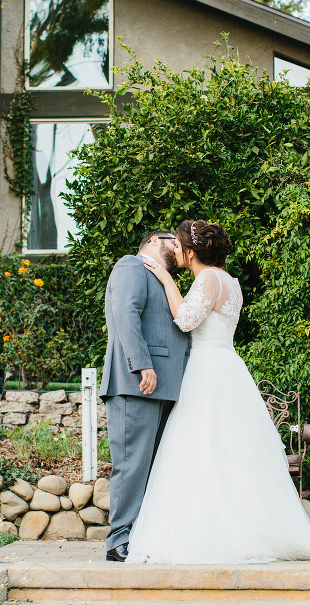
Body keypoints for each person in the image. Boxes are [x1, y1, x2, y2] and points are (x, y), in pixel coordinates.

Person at [128, 219, 310, 564]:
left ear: (193, 252)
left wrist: (166, 278)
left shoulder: (209, 278)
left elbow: (184, 320)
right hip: (227, 367)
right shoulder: (230, 281)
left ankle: (214, 536)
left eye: (179, 246)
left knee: (202, 450)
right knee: (227, 454)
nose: (175, 251)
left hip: (208, 370)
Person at [99, 231, 190, 562]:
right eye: (173, 242)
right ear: (154, 241)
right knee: (131, 464)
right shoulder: (131, 266)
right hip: (136, 384)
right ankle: (118, 539)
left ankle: (139, 536)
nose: (178, 248)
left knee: (151, 467)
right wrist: (141, 364)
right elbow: (126, 314)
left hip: (162, 387)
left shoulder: (159, 278)